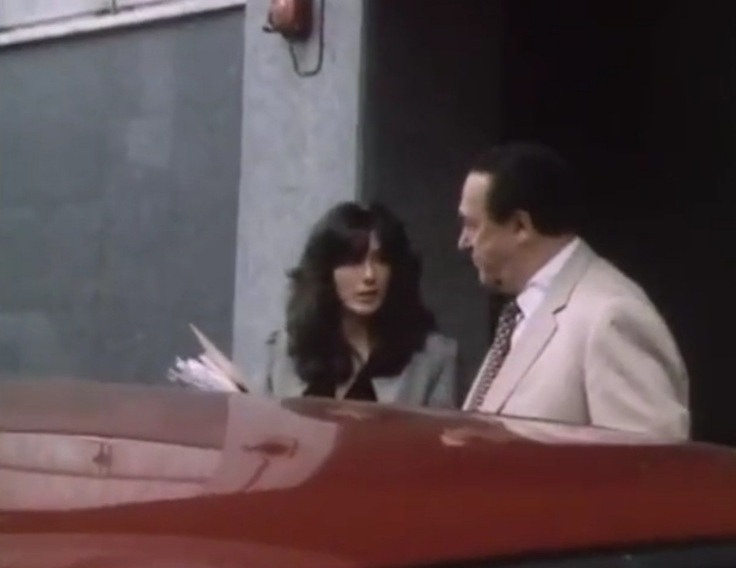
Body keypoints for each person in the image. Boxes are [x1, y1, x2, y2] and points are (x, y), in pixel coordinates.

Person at [456, 142, 689, 438]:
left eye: (472, 225)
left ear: (520, 226)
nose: (463, 242)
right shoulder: (523, 312)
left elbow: (651, 458)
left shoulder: (611, 316)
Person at [253, 201, 459, 407]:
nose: (369, 275)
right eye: (354, 262)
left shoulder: (434, 357)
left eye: (381, 260)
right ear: (326, 270)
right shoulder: (285, 349)